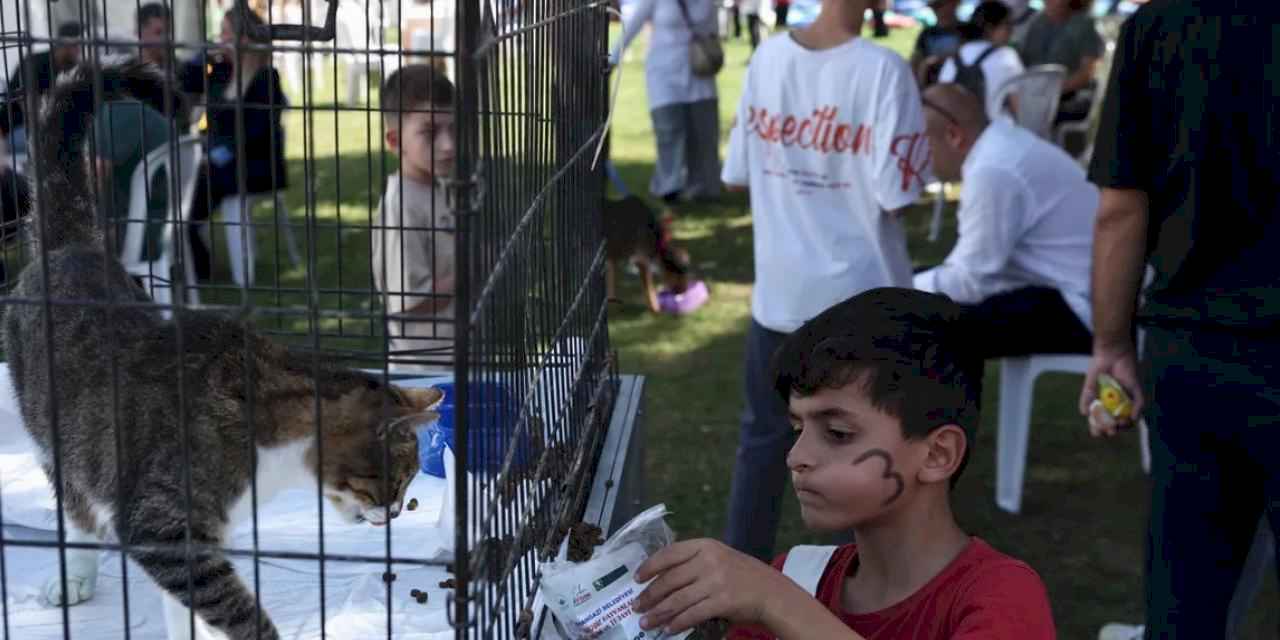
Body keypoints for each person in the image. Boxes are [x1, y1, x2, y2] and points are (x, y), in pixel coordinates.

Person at [628, 287, 1057, 639]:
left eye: (838, 434)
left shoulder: (1001, 597)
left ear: (937, 454)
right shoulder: (796, 579)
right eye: (798, 429)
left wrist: (776, 602)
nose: (797, 458)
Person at [1079, 2, 1280, 639]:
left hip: (1191, 351)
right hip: (1204, 344)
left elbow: (1121, 209)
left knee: (1185, 595)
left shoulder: (1157, 26)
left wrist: (1110, 343)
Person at [721, 0, 930, 564]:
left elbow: (739, 174)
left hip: (781, 296)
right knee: (861, 452)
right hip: (863, 305)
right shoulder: (883, 71)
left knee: (763, 445)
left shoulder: (766, 59)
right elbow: (899, 193)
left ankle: (737, 584)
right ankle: (857, 591)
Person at [913, 83, 1095, 359]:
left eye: (921, 143)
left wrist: (893, 283)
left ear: (953, 136)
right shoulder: (1002, 146)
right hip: (1077, 289)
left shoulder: (993, 171)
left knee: (913, 324)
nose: (919, 157)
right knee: (915, 294)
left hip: (1086, 307)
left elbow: (970, 282)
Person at [186, 5, 288, 280]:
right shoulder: (220, 71)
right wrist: (202, 55)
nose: (220, 38)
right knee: (182, 193)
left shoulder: (266, 78)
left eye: (225, 32)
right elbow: (184, 80)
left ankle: (199, 269)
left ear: (244, 38)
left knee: (186, 201)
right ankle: (196, 264)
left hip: (255, 166)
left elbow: (255, 133)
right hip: (222, 167)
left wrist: (217, 153)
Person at [372, 64, 456, 374]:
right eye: (430, 132)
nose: (448, 145)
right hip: (423, 374)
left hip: (454, 359)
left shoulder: (438, 186)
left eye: (453, 129)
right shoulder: (401, 206)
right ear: (394, 141)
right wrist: (472, 271)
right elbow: (410, 302)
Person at [612, 0, 722, 204]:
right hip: (664, 72)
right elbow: (632, 25)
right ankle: (669, 186)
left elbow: (714, 29)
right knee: (668, 130)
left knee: (703, 132)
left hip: (699, 71)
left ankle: (702, 186)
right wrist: (613, 58)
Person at [0, 22, 83, 155]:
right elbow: (29, 107)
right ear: (65, 44)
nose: (80, 50)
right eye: (77, 46)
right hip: (14, 127)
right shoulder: (35, 63)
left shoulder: (71, 68)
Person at [1015, 0, 1103, 125]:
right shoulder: (1037, 23)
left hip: (1066, 97)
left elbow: (1086, 74)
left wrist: (1052, 92)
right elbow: (1021, 62)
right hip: (1032, 94)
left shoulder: (1085, 25)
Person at [937, 0, 1024, 117]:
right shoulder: (1007, 55)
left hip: (960, 131)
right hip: (999, 131)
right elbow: (1019, 106)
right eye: (1007, 25)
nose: (1011, 32)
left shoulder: (954, 57)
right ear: (989, 28)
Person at [909, 0, 962, 87]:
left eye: (939, 5)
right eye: (933, 7)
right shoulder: (926, 34)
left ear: (955, 3)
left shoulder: (969, 31)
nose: (936, 10)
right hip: (931, 86)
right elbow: (915, 63)